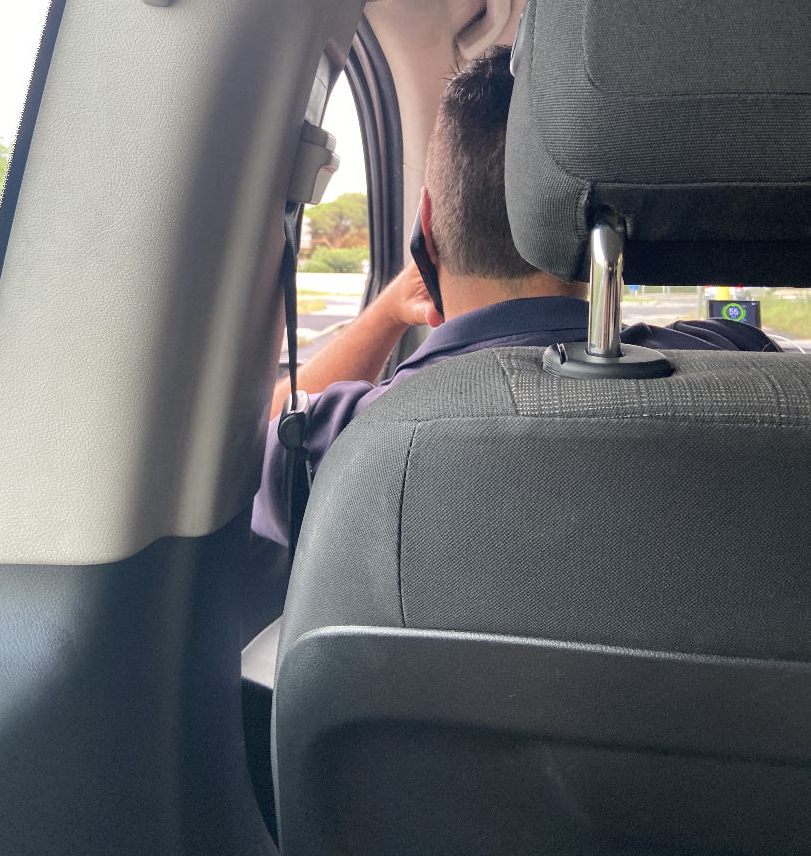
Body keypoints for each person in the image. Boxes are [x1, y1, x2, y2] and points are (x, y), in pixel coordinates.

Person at [252, 46, 779, 544]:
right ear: (605, 229)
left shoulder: (338, 442)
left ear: (427, 228)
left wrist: (388, 310)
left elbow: (249, 439)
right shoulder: (745, 364)